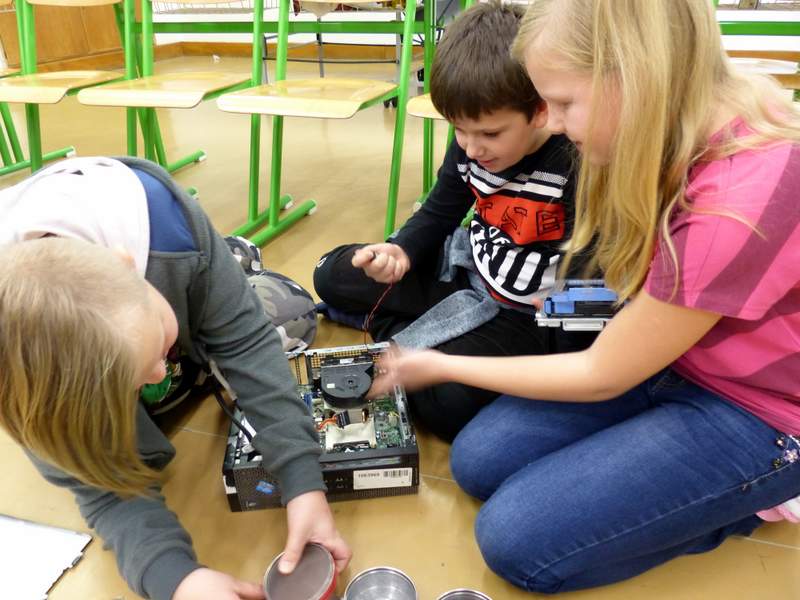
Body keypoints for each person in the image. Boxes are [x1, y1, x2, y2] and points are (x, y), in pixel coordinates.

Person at [370, 0, 800, 593]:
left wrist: (436, 363)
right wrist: (560, 305)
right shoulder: (692, 114)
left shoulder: (734, 202)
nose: (555, 124)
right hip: (670, 355)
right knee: (477, 461)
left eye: (565, 104)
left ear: (635, 74)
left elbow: (600, 370)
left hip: (757, 409)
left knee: (515, 541)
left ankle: (761, 495)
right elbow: (630, 296)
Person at [0, 156, 351, 600]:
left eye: (155, 351)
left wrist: (303, 483)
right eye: (130, 383)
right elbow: (102, 489)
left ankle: (227, 263)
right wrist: (177, 580)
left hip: (182, 262)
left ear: (125, 264)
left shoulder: (167, 225)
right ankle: (210, 291)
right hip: (142, 325)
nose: (156, 375)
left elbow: (247, 343)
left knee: (292, 315)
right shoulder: (19, 368)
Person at [314, 0, 595, 442]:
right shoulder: (471, 137)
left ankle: (401, 335)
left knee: (446, 406)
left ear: (541, 109)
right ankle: (416, 333)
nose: (472, 147)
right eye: (459, 129)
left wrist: (562, 334)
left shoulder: (576, 163)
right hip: (465, 272)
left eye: (490, 134)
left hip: (524, 314)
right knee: (331, 274)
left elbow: (597, 288)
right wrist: (401, 251)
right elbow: (441, 207)